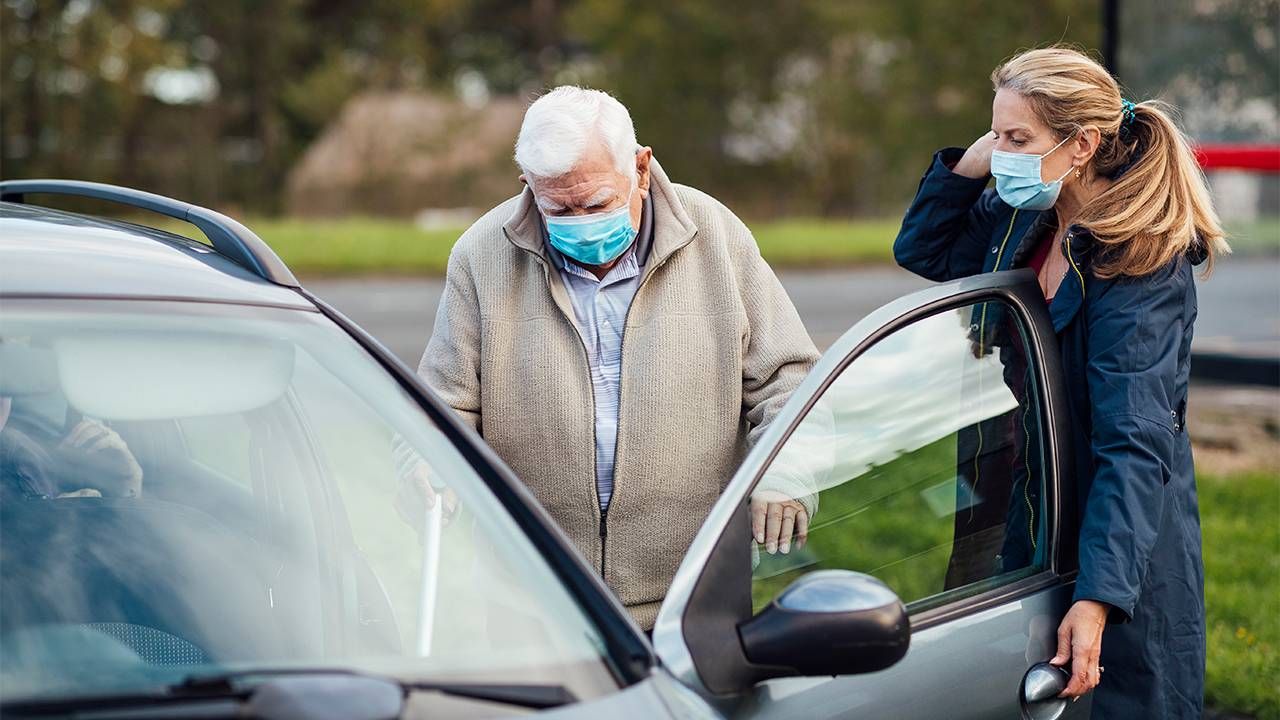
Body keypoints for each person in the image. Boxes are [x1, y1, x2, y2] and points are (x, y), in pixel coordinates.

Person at [405, 86, 820, 630]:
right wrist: (422, 460)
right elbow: (442, 406)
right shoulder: (481, 255)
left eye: (596, 202)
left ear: (641, 169)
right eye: (559, 208)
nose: (580, 221)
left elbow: (788, 379)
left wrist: (783, 474)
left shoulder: (717, 237)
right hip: (538, 600)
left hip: (694, 595)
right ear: (527, 186)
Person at [893, 46, 1227, 718]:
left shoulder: (1139, 260)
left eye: (1018, 138)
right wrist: (973, 163)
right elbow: (923, 251)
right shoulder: (1030, 214)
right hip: (1030, 503)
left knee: (1115, 699)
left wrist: (1099, 597)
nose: (1002, 152)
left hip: (1118, 539)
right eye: (997, 133)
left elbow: (1134, 443)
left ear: (1082, 145)